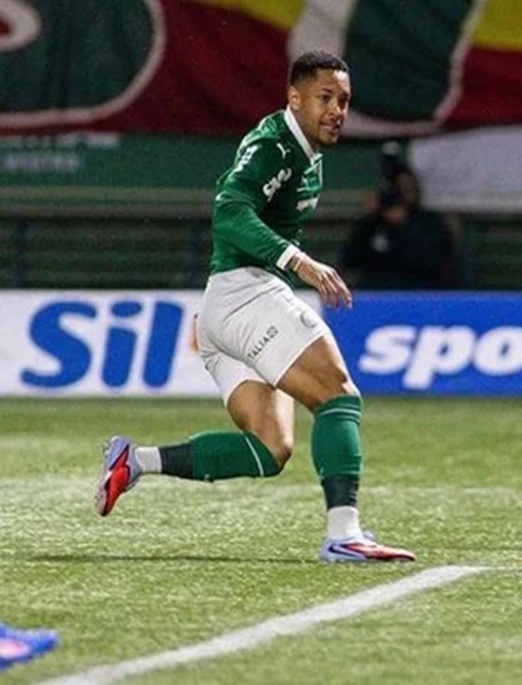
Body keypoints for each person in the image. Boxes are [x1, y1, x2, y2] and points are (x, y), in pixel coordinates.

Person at [95, 50, 415, 563]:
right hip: (247, 293)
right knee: (337, 395)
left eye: (344, 101)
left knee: (270, 450)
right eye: (325, 98)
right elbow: (228, 212)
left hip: (227, 307)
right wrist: (300, 262)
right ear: (294, 98)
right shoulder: (275, 145)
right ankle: (344, 532)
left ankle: (135, 461)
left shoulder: (305, 152)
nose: (337, 110)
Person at [342, 162, 459, 290]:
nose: (403, 194)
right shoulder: (372, 224)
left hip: (419, 292)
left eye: (408, 188)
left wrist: (403, 226)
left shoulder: (430, 223)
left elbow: (434, 262)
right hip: (377, 292)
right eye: (398, 189)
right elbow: (351, 261)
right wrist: (369, 219)